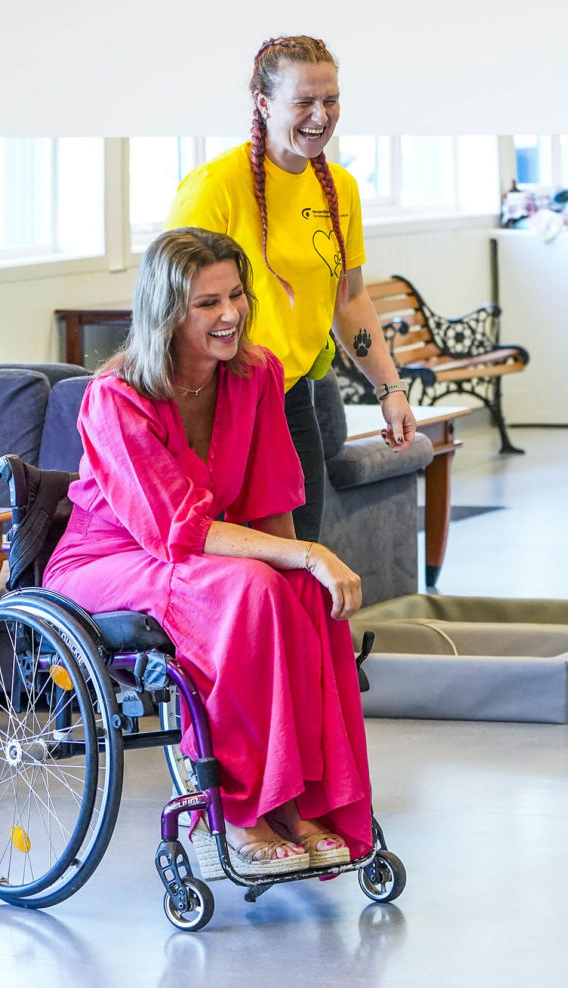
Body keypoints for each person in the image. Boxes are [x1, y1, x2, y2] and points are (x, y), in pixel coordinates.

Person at [42, 228, 371, 874]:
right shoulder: (116, 399)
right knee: (254, 587)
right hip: (105, 564)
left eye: (236, 296)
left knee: (303, 592)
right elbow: (178, 531)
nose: (229, 316)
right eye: (206, 304)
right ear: (167, 312)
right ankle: (236, 807)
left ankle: (295, 800)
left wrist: (304, 564)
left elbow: (272, 498)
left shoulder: (256, 376)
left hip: (191, 557)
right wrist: (306, 554)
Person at [167, 35, 416, 543]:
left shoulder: (339, 188)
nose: (320, 116)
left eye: (330, 100)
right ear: (263, 102)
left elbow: (350, 299)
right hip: (219, 402)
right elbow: (170, 307)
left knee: (303, 551)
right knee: (242, 560)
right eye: (303, 102)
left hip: (291, 396)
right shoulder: (215, 186)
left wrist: (389, 388)